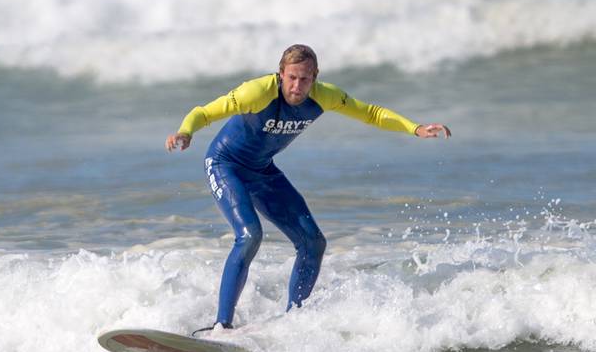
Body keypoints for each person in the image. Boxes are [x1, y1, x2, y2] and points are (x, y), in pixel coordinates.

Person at [165, 44, 450, 333]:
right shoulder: (257, 92)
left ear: (315, 76)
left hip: (263, 170)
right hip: (225, 165)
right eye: (291, 78)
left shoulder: (324, 96)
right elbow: (205, 112)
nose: (297, 86)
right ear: (280, 74)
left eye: (304, 79)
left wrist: (414, 128)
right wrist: (186, 131)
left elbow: (371, 113)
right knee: (250, 235)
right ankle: (221, 325)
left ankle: (294, 321)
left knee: (313, 242)